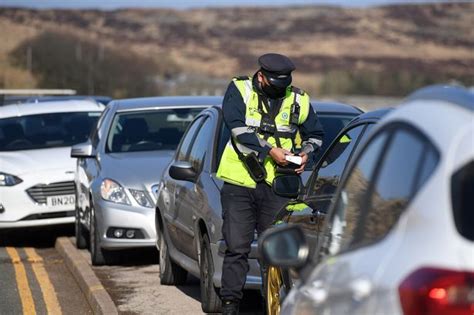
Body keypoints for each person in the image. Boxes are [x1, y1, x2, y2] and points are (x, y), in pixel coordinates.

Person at [216, 53, 324, 314]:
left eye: (283, 86)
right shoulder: (239, 88)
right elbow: (237, 129)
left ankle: (274, 307)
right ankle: (231, 305)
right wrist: (269, 150)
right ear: (261, 76)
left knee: (276, 252)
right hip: (240, 181)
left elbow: (317, 135)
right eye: (274, 86)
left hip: (278, 185)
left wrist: (306, 152)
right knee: (237, 248)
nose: (280, 91)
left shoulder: (298, 97)